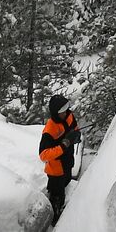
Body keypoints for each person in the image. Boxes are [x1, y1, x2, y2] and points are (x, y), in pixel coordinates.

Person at [38, 94, 81, 223]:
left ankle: (61, 206)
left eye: (67, 108)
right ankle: (54, 219)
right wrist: (63, 146)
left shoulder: (68, 116)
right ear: (56, 113)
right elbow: (43, 155)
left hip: (68, 162)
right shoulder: (49, 130)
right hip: (56, 170)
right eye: (62, 111)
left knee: (66, 183)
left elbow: (75, 127)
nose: (66, 112)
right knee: (56, 195)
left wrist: (76, 135)